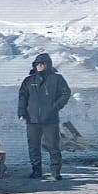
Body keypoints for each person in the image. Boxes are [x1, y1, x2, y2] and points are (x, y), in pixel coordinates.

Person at [19, 52, 72, 180]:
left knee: (53, 146)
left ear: (48, 64)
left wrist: (55, 107)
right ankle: (36, 171)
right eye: (38, 63)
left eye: (43, 63)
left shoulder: (56, 79)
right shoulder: (29, 80)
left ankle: (55, 172)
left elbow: (66, 93)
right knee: (33, 147)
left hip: (50, 119)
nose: (40, 65)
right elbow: (23, 97)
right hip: (32, 119)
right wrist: (21, 112)